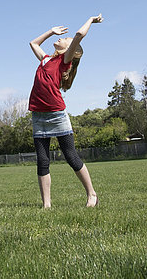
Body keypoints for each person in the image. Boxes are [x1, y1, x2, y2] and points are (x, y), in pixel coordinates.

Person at [28, 15, 102, 209]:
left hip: (57, 115)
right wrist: (51, 31)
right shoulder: (45, 59)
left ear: (72, 50)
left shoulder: (64, 61)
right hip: (38, 115)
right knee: (42, 161)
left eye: (65, 39)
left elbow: (78, 35)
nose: (62, 38)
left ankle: (92, 194)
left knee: (71, 156)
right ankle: (46, 205)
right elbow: (33, 43)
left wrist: (91, 20)